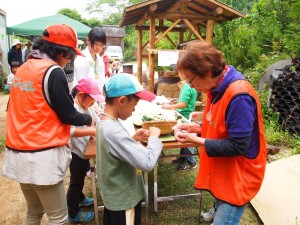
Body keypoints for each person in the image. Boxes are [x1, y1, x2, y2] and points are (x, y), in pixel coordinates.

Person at [2, 24, 94, 225]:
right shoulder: (53, 71)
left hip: (17, 154)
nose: (70, 60)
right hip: (41, 157)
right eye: (70, 55)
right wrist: (90, 119)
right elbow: (69, 115)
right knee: (58, 218)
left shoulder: (25, 68)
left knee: (34, 211)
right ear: (61, 51)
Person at [173, 41, 267, 225]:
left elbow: (238, 145)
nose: (190, 87)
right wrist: (198, 129)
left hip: (239, 175)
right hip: (226, 170)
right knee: (219, 191)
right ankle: (216, 209)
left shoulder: (239, 95)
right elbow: (221, 125)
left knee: (226, 209)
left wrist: (196, 141)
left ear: (207, 71)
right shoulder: (217, 88)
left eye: (190, 80)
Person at [96, 73, 163, 225]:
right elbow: (147, 163)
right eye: (134, 105)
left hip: (113, 195)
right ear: (122, 101)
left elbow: (112, 150)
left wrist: (131, 140)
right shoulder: (113, 130)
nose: (133, 110)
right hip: (124, 200)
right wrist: (153, 138)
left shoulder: (104, 122)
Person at [67, 78, 104, 223]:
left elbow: (95, 120)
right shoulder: (73, 110)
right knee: (75, 182)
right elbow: (70, 131)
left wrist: (99, 126)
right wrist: (92, 131)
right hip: (76, 152)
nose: (94, 103)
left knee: (80, 177)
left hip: (85, 149)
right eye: (92, 100)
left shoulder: (86, 107)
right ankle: (73, 213)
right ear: (81, 95)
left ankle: (81, 199)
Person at [162, 80, 198, 170]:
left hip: (184, 115)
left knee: (186, 138)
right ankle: (183, 157)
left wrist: (169, 106)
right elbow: (187, 101)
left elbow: (183, 104)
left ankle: (191, 162)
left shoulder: (187, 87)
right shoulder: (192, 85)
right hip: (187, 113)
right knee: (183, 137)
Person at [73, 26, 106, 91]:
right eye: (96, 43)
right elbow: (82, 86)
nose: (98, 47)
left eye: (101, 44)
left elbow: (102, 82)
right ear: (88, 40)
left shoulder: (99, 60)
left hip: (97, 97)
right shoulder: (81, 60)